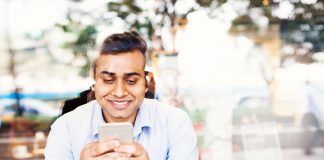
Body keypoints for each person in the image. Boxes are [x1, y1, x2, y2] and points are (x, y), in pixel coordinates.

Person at [45, 31, 198, 160]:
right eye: (108, 80)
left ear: (145, 84)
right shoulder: (66, 128)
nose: (119, 93)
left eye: (131, 81)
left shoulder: (175, 123)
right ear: (95, 84)